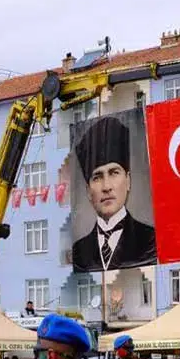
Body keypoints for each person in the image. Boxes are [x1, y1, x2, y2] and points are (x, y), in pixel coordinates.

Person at [69, 115, 157, 272]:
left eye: (114, 172)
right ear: (88, 191)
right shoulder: (79, 251)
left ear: (128, 180)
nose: (106, 186)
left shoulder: (151, 240)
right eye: (97, 177)